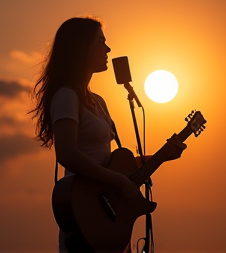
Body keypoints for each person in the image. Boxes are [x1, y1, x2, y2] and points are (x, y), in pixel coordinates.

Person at [30, 16, 187, 253]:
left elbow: (113, 166)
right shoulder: (66, 96)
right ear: (81, 47)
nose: (108, 49)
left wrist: (161, 156)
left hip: (110, 223)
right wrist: (117, 181)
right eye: (101, 41)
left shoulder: (99, 102)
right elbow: (67, 153)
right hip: (86, 215)